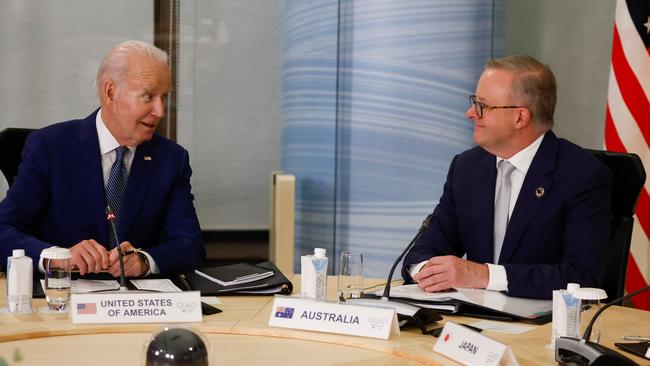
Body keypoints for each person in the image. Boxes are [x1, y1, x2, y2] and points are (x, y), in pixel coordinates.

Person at [402, 55, 611, 299]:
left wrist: (485, 276)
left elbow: (582, 276)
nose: (470, 113)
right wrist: (428, 271)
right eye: (474, 102)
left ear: (520, 117)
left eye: (482, 105)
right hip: (471, 319)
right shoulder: (467, 167)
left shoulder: (582, 175)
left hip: (544, 324)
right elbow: (424, 251)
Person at [0, 40, 205, 277]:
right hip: (61, 299)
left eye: (164, 97)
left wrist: (145, 260)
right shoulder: (49, 146)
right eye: (148, 96)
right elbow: (3, 230)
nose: (160, 111)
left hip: (135, 304)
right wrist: (59, 258)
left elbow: (190, 247)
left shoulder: (171, 159)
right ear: (110, 93)